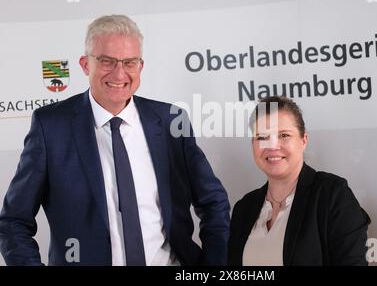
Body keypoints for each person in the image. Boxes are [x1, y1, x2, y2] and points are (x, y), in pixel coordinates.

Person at [0, 15, 230, 266]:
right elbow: (13, 222)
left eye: (129, 62)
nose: (120, 73)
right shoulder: (51, 127)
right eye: (107, 61)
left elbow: (213, 203)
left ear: (140, 66)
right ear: (86, 64)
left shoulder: (170, 121)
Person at [228, 96, 370, 266]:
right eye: (262, 137)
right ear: (253, 144)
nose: (273, 145)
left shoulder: (331, 194)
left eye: (284, 135)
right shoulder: (243, 208)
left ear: (304, 140)